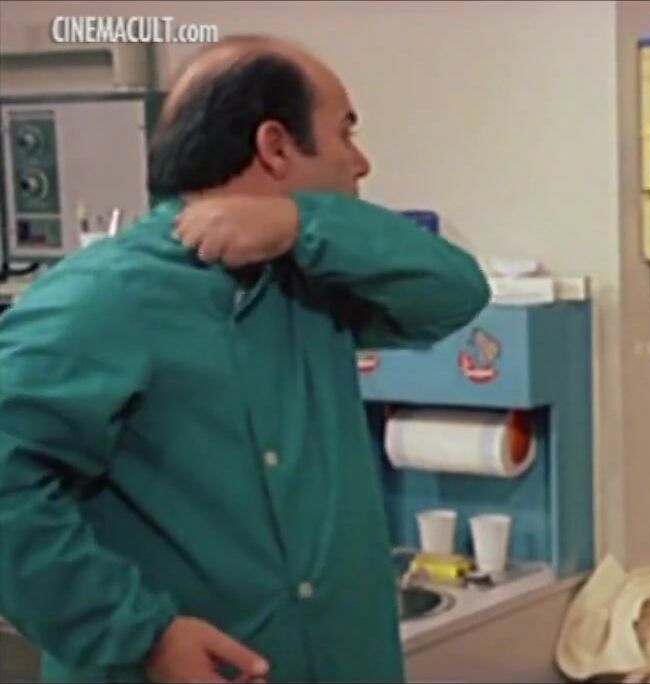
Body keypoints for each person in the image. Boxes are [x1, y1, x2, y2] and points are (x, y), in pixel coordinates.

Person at [0, 35, 490, 682]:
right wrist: (140, 633)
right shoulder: (106, 296)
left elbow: (455, 292)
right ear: (275, 146)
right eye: (345, 133)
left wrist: (300, 224)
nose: (360, 162)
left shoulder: (308, 282)